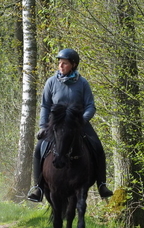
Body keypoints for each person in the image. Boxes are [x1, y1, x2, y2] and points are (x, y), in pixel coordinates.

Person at [27, 48, 114, 202]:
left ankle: (102, 184)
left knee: (98, 148)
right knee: (39, 149)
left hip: (78, 124)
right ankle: (38, 187)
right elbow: (45, 105)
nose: (61, 66)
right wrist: (43, 126)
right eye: (60, 63)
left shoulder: (82, 83)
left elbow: (90, 106)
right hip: (56, 126)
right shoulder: (51, 82)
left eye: (64, 63)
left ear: (73, 65)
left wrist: (82, 120)